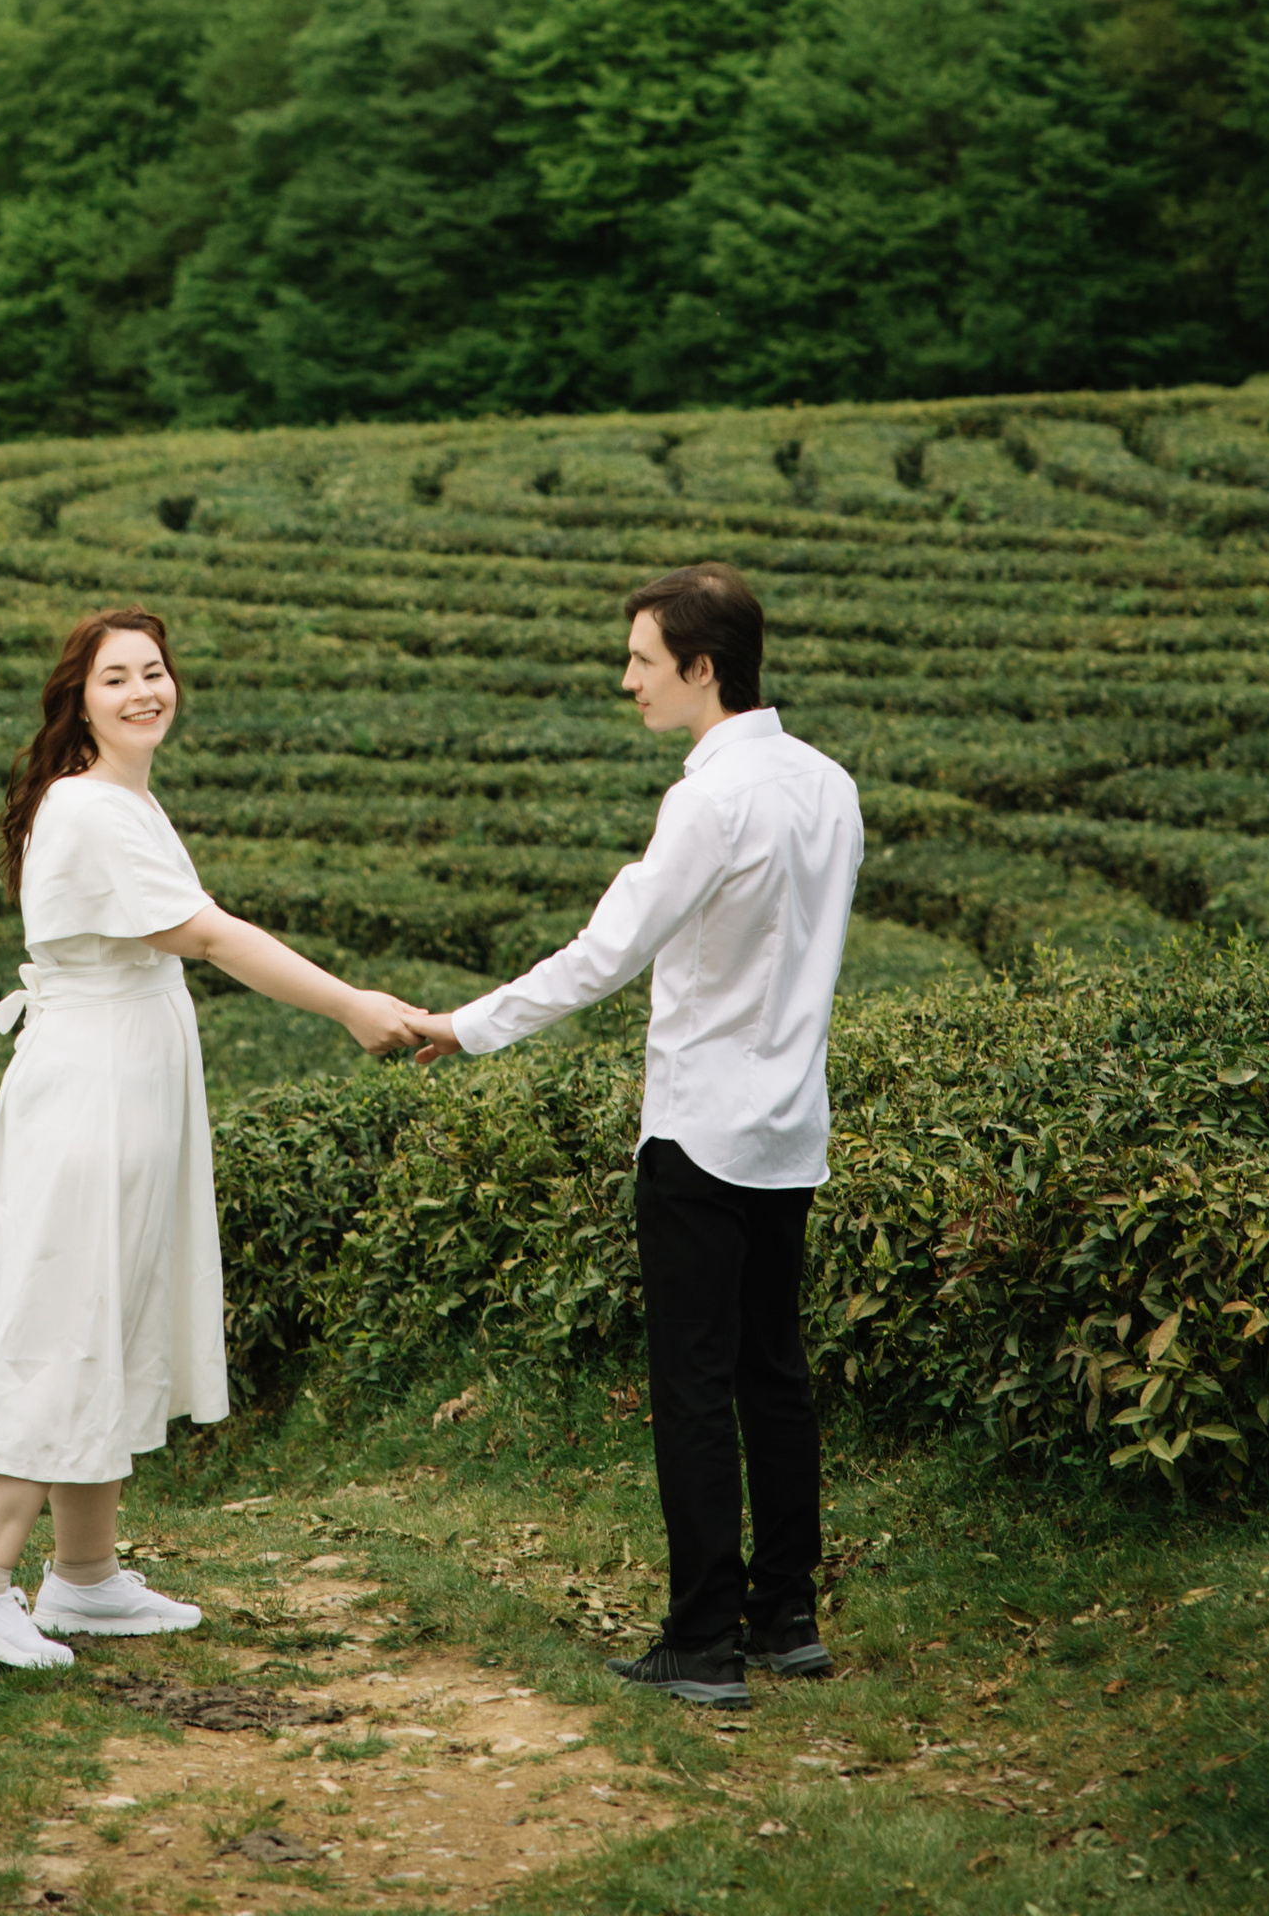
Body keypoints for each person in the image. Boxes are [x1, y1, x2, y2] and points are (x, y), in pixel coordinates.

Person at [0, 603, 434, 1672]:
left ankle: (85, 1578)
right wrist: (347, 1002)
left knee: (109, 1309)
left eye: (154, 672)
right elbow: (203, 934)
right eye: (116, 679)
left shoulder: (121, 801)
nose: (144, 692)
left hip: (126, 1079)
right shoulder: (91, 811)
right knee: (63, 1316)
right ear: (80, 703)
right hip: (93, 1090)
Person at [412, 563, 862, 1711]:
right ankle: (787, 1618)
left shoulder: (708, 800)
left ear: (701, 669)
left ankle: (703, 1641)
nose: (626, 683)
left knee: (694, 1387)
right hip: (791, 1125)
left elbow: (604, 954)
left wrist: (466, 1028)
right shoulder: (828, 783)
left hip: (701, 1131)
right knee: (775, 1374)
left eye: (641, 662)